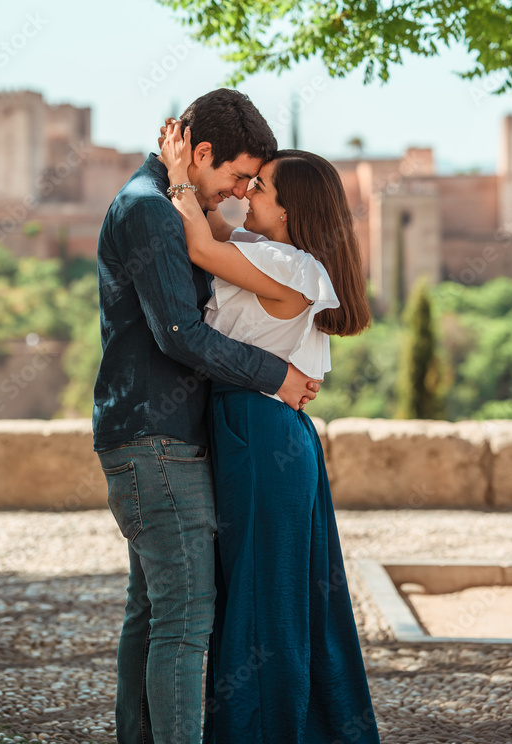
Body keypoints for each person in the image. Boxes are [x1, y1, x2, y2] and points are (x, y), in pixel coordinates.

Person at [92, 89, 321, 744]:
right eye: (237, 176)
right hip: (154, 442)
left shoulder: (161, 198)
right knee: (186, 620)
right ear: (199, 152)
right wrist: (277, 374)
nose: (242, 191)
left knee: (152, 611)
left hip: (152, 436)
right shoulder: (146, 209)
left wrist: (183, 189)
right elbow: (179, 335)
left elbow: (225, 247)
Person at [161, 120, 381, 744]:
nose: (245, 193)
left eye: (259, 186)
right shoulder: (283, 257)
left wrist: (179, 177)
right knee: (278, 600)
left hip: (259, 433)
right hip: (266, 430)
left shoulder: (288, 264)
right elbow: (218, 233)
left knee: (264, 604)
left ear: (290, 210)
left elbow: (202, 248)